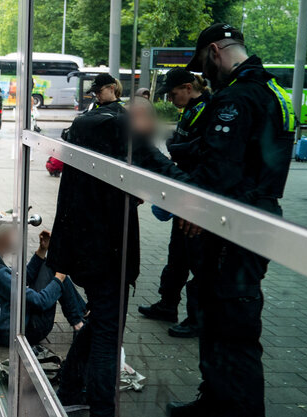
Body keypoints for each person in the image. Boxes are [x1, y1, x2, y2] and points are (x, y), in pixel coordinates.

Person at [168, 23, 295, 417]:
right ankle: (216, 400)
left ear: (215, 51)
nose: (204, 74)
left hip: (232, 225)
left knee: (232, 327)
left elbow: (220, 166)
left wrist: (196, 208)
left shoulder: (238, 98)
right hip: (256, 214)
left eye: (204, 64)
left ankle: (236, 408)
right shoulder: (275, 92)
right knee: (221, 317)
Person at [48, 90, 189, 416]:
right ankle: (101, 408)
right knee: (108, 337)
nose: (149, 134)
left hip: (78, 245)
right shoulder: (122, 130)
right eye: (149, 125)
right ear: (139, 116)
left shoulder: (87, 122)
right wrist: (203, 200)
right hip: (108, 250)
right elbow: (159, 165)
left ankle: (70, 385)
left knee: (101, 319)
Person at [138, 68, 211, 339]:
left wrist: (177, 146)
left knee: (197, 261)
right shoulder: (191, 110)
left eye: (172, 93)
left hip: (196, 194)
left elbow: (200, 149)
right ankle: (167, 304)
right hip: (184, 191)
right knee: (177, 255)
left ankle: (196, 318)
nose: (170, 99)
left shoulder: (208, 109)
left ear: (188, 87)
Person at [0, 223, 86, 347]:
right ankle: (79, 322)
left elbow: (21, 280)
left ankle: (82, 316)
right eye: (8, 234)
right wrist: (59, 279)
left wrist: (41, 250)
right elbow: (40, 301)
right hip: (22, 332)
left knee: (51, 267)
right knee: (55, 269)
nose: (12, 237)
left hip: (2, 330)